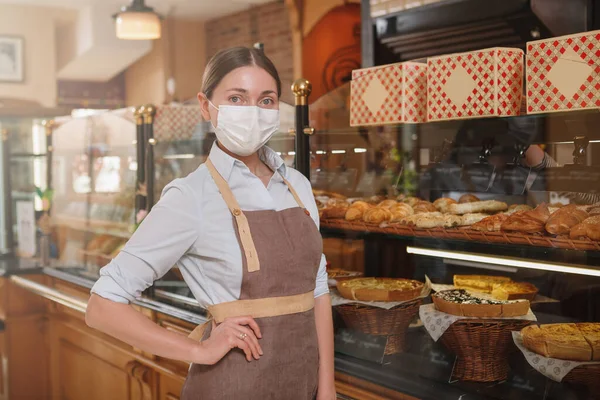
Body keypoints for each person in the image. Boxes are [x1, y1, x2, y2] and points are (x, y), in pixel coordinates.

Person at [85, 47, 336, 400]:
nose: (252, 112)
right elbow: (102, 306)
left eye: (266, 101)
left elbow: (318, 288)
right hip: (230, 388)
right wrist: (199, 351)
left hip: (303, 387)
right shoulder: (190, 196)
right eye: (237, 98)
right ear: (206, 106)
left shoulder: (297, 185)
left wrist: (326, 389)